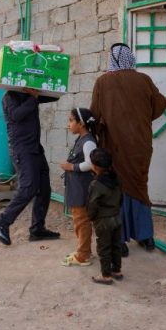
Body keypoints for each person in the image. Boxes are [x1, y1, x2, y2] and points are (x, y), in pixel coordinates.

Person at [90, 43, 166, 256]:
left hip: (113, 147)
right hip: (140, 147)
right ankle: (146, 237)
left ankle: (120, 240)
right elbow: (157, 106)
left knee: (117, 189)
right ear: (130, 59)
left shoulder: (102, 82)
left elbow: (94, 115)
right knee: (140, 187)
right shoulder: (143, 80)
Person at [0, 88, 60, 246]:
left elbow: (53, 97)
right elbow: (16, 115)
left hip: (35, 148)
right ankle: (3, 221)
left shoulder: (29, 94)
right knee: (28, 188)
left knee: (44, 189)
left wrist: (53, 85)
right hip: (22, 150)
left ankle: (37, 228)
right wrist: (33, 97)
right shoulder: (9, 96)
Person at [60, 107, 98, 267]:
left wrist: (71, 167)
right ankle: (84, 251)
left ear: (81, 123)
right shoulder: (82, 139)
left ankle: (83, 255)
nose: (69, 124)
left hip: (82, 187)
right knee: (79, 219)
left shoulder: (88, 141)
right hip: (77, 186)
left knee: (82, 220)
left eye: (71, 120)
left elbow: (91, 164)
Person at [87, 148, 123, 285]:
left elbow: (92, 204)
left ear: (95, 167)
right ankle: (117, 271)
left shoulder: (96, 184)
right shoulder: (117, 178)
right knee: (116, 245)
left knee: (104, 247)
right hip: (116, 217)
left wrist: (91, 217)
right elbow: (121, 198)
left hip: (103, 220)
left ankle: (105, 275)